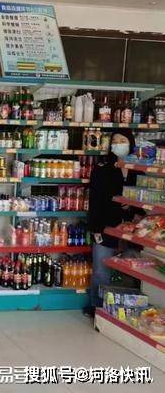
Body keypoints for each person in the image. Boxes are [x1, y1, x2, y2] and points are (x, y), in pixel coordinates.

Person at [87, 130, 142, 315]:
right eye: (115, 141)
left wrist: (133, 207)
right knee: (101, 270)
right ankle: (97, 308)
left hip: (134, 228)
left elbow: (146, 198)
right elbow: (95, 199)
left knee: (134, 269)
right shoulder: (103, 167)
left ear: (131, 143)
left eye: (122, 140)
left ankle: (129, 309)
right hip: (106, 226)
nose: (118, 144)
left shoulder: (139, 168)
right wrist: (95, 228)